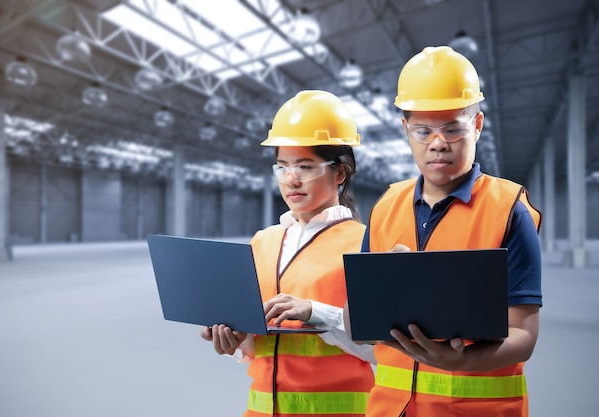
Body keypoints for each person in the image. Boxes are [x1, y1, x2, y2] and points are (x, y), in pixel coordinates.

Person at [362, 46, 542, 416]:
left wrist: (459, 361)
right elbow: (356, 313)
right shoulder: (385, 206)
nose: (438, 142)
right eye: (423, 130)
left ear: (476, 125)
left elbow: (523, 335)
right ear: (405, 130)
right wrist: (379, 292)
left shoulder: (509, 210)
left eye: (453, 129)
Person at [200, 90, 375, 417]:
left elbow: (383, 351)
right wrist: (236, 340)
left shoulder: (365, 244)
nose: (291, 179)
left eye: (306, 166)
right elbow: (263, 346)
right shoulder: (262, 243)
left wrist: (315, 313)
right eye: (282, 167)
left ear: (341, 172)